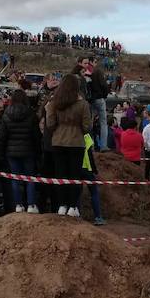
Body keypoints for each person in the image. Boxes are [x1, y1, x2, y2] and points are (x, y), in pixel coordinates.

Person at [45, 73, 92, 218]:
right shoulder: (83, 104)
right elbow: (87, 127)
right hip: (77, 143)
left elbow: (50, 124)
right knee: (75, 176)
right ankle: (73, 206)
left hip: (58, 142)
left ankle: (61, 205)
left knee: (60, 175)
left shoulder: (54, 103)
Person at [0, 89, 40, 213]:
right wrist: (38, 151)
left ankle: (18, 205)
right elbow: (36, 135)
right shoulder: (31, 114)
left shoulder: (6, 114)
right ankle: (31, 205)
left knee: (15, 178)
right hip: (28, 150)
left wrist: (1, 153)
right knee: (30, 178)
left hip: (11, 152)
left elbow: (2, 136)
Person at [81, 133, 105, 225]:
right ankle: (98, 217)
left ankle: (77, 216)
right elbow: (90, 155)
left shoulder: (71, 134)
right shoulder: (86, 136)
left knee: (77, 191)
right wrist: (95, 170)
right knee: (94, 192)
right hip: (87, 168)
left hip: (75, 168)